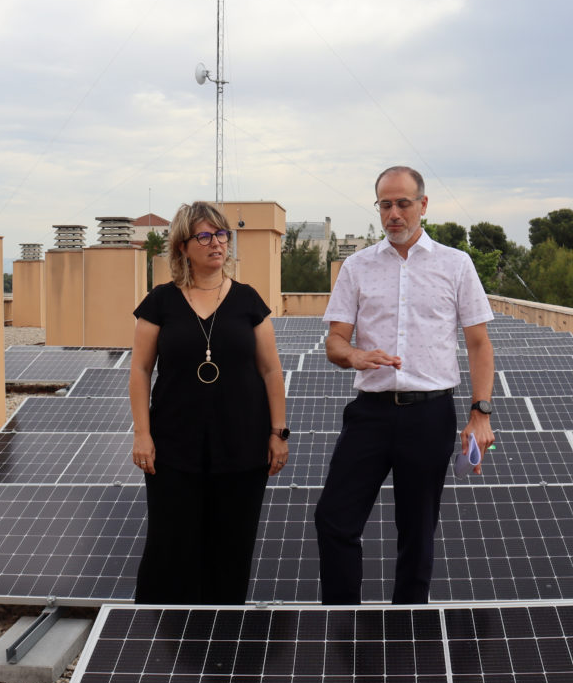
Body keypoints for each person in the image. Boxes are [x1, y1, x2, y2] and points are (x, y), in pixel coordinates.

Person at [314, 166, 496, 605]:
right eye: (385, 204)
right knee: (333, 519)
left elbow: (478, 344)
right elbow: (335, 342)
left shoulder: (456, 264)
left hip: (429, 415)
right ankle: (342, 619)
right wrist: (355, 355)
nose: (394, 213)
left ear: (423, 205)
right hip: (370, 413)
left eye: (403, 203)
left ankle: (407, 627)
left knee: (417, 532)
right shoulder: (357, 267)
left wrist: (480, 414)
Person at [128, 201, 289, 604]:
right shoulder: (161, 302)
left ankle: (221, 650)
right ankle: (159, 647)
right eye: (204, 235)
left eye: (221, 235)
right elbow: (140, 371)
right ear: (183, 246)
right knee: (170, 550)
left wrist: (278, 433)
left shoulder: (249, 301)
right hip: (173, 450)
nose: (216, 243)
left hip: (242, 449)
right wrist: (142, 435)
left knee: (231, 551)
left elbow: (271, 370)